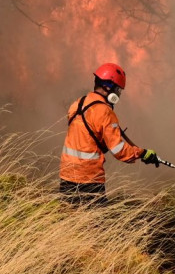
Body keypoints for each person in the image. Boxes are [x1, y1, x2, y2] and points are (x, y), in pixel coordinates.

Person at [59, 62, 161, 205]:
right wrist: (143, 153)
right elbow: (119, 151)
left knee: (69, 218)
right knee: (98, 224)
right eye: (118, 90)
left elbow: (85, 136)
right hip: (89, 179)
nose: (118, 94)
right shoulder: (105, 112)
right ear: (108, 87)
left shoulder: (77, 104)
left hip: (66, 174)